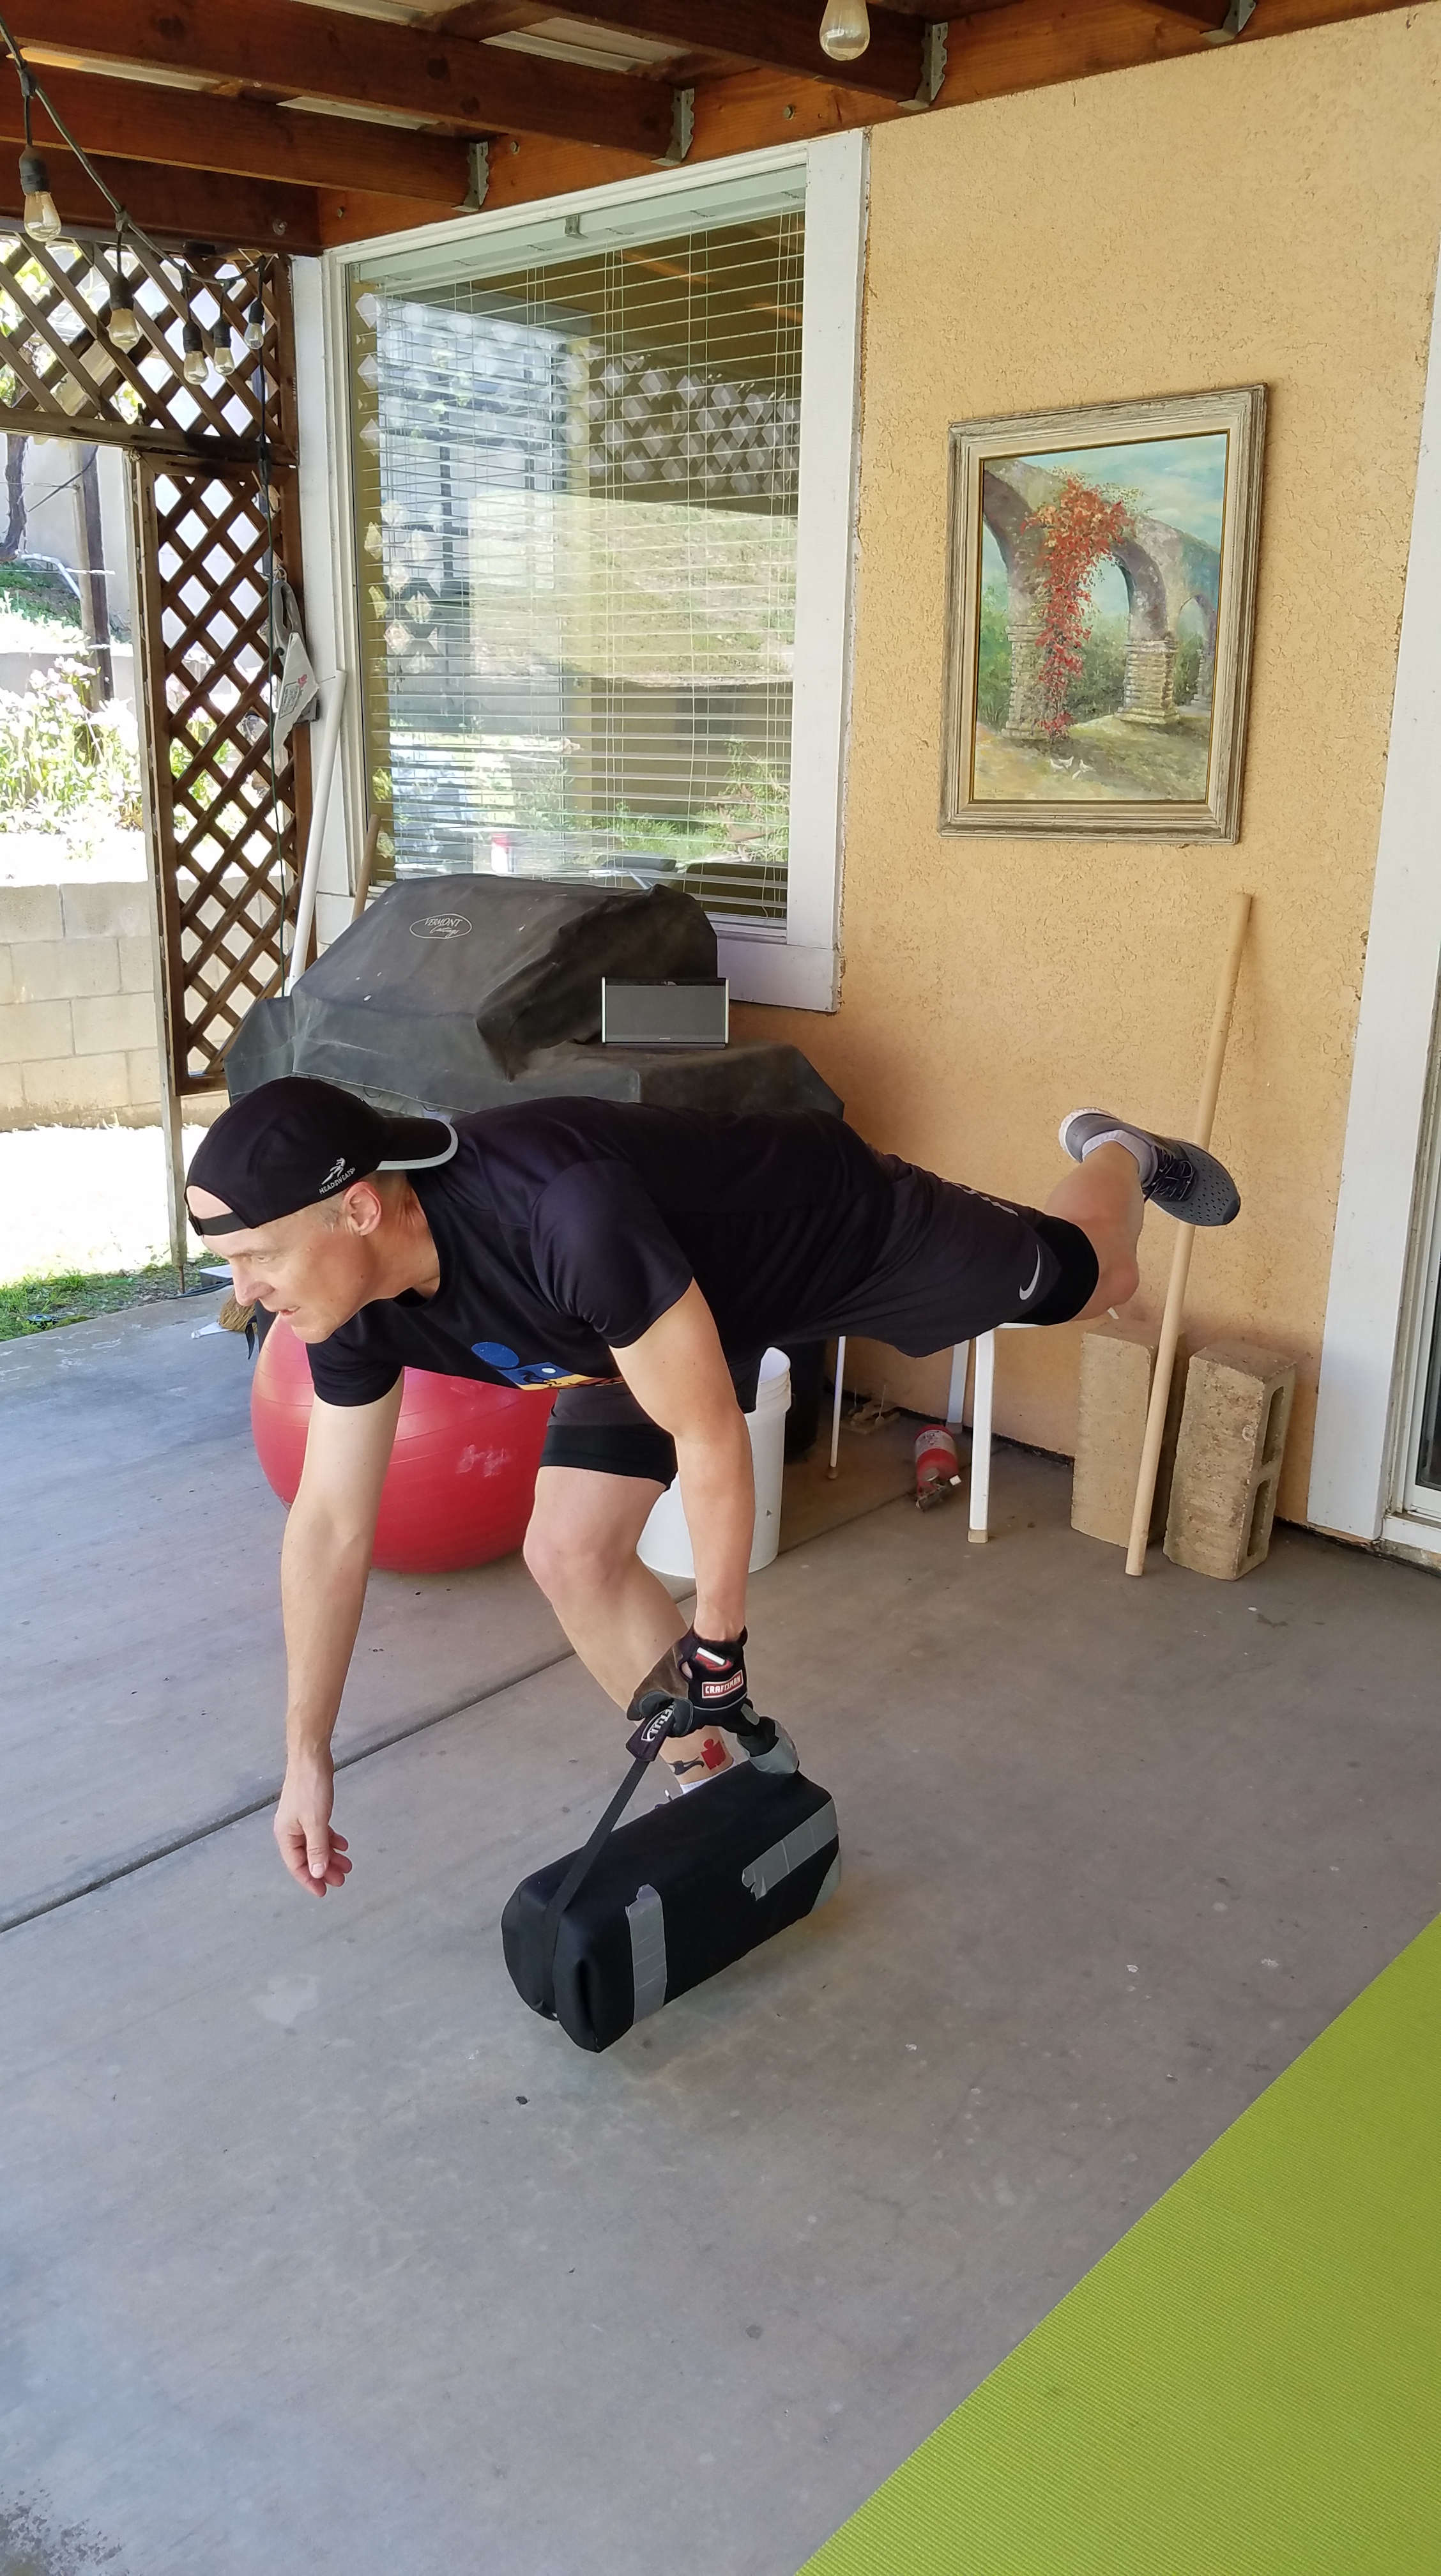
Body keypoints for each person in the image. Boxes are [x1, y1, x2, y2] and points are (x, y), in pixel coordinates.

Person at [184, 1079, 1239, 1899]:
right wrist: (307, 1756)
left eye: (259, 1256)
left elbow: (707, 1433)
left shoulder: (557, 1215)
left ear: (360, 1207)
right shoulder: (348, 1310)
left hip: (826, 1231)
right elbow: (329, 1525)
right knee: (571, 1551)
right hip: (640, 1329)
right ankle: (725, 1792)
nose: (248, 1294)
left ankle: (1121, 1151)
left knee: (1096, 1281)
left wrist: (719, 1645)